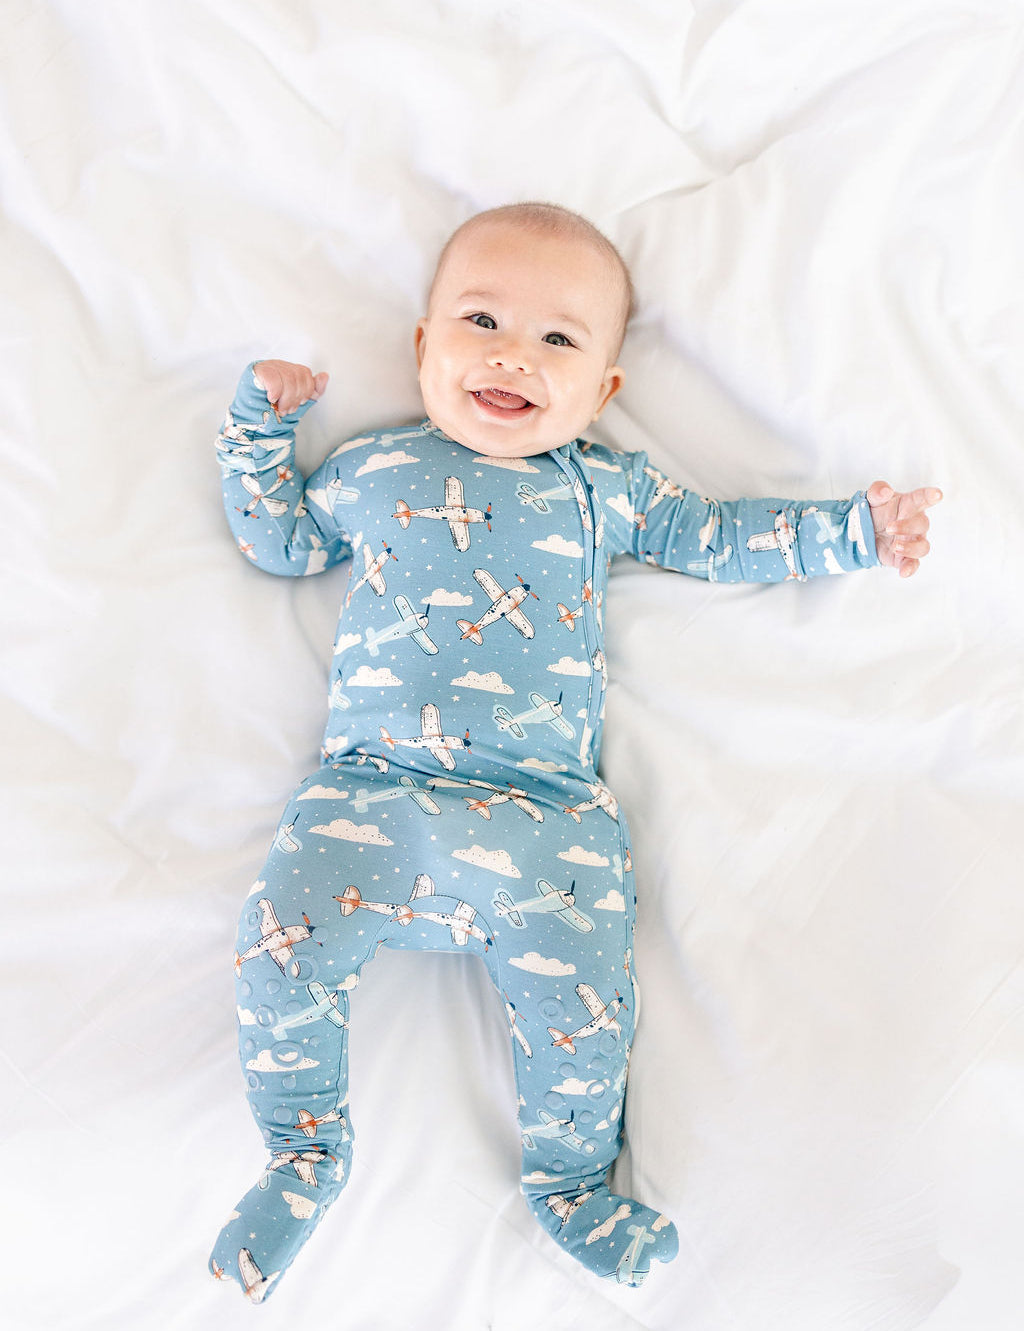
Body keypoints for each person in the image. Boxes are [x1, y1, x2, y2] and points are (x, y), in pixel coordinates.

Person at [209, 202, 941, 1302]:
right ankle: (305, 1151)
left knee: (584, 1002)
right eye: (482, 319)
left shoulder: (603, 485)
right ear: (423, 347)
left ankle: (569, 1181)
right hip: (374, 795)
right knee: (277, 953)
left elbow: (713, 533)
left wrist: (853, 528)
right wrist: (257, 429)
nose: (512, 352)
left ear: (602, 391)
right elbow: (279, 539)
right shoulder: (371, 468)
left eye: (559, 340)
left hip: (543, 812)